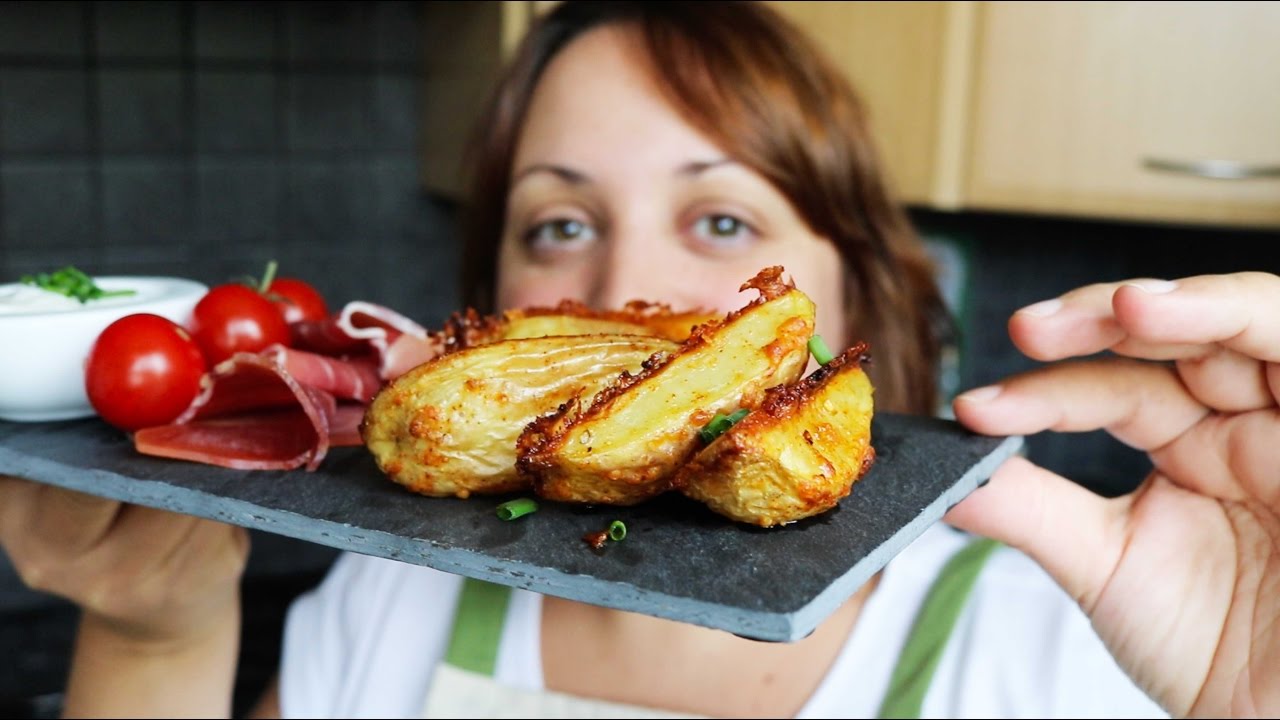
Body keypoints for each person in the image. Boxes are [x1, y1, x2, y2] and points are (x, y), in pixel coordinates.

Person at [0, 2, 1275, 717]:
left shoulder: (1062, 654)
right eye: (557, 223)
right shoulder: (389, 603)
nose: (620, 291)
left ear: (850, 282)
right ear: (491, 301)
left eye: (721, 219)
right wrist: (158, 643)